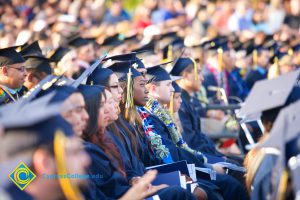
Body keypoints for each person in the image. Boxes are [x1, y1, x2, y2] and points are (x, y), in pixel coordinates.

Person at [79, 84, 197, 200]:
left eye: (109, 102)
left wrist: (134, 179)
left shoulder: (110, 136)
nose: (110, 107)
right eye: (102, 105)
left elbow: (127, 169)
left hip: (139, 184)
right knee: (181, 193)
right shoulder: (87, 151)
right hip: (130, 193)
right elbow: (109, 188)